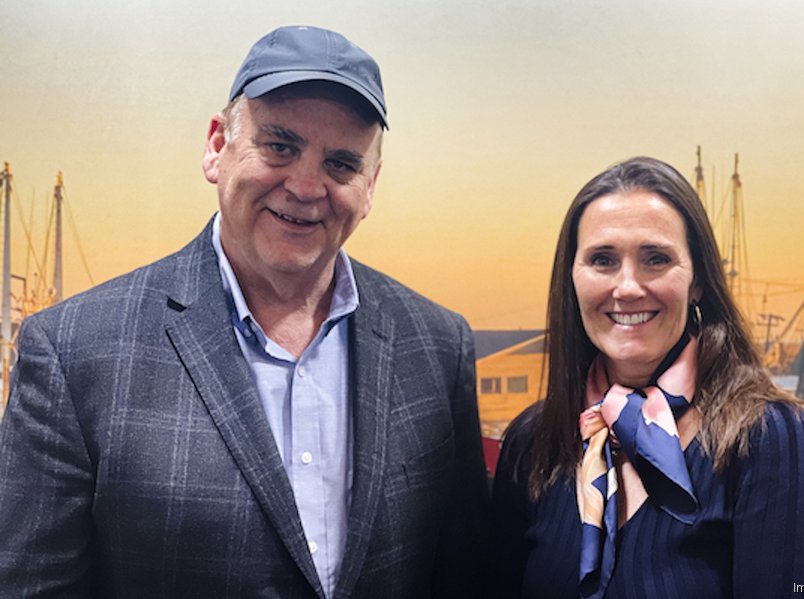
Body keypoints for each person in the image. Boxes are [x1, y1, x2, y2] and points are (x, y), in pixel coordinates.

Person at [0, 26, 488, 599]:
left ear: (370, 184)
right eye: (280, 146)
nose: (306, 186)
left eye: (340, 164)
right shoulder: (74, 351)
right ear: (216, 146)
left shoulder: (437, 346)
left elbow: (464, 575)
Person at [488, 157, 804, 598]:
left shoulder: (765, 437)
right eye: (602, 260)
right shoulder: (531, 443)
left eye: (656, 259)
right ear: (572, 279)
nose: (628, 287)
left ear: (697, 282)